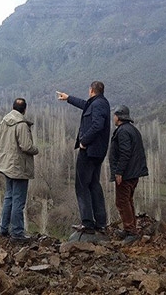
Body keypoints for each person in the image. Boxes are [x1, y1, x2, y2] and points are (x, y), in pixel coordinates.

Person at [56, 81, 110, 234]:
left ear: (91, 90)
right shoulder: (99, 102)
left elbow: (97, 125)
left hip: (90, 151)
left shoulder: (98, 105)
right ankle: (100, 222)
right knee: (93, 184)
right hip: (96, 152)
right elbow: (85, 105)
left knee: (82, 186)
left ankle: (88, 222)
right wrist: (68, 98)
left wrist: (84, 141)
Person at [0, 98, 39, 241]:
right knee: (18, 201)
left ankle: (3, 229)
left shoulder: (4, 121)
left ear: (13, 107)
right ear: (24, 110)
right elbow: (26, 146)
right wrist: (36, 150)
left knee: (9, 197)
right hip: (19, 166)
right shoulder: (21, 125)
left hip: (6, 165)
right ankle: (17, 233)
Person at [109, 105, 148, 244]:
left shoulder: (123, 131)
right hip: (134, 173)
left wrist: (119, 171)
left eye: (114, 115)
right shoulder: (133, 130)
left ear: (119, 117)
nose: (113, 118)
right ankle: (129, 229)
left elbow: (125, 153)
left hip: (126, 174)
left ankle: (131, 232)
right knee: (128, 200)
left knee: (121, 201)